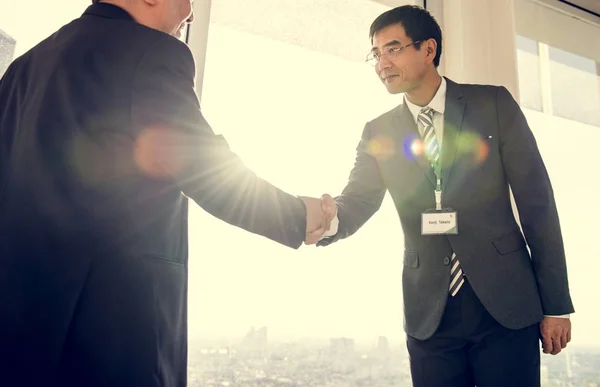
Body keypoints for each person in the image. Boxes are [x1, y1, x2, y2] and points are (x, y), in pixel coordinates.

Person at [0, 0, 331, 386]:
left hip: (19, 335)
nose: (190, 13)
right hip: (110, 334)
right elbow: (205, 167)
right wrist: (297, 216)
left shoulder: (21, 70)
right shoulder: (149, 53)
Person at [311, 5, 574, 387]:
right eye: (376, 53)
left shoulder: (493, 105)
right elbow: (359, 199)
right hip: (430, 314)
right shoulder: (378, 132)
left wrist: (557, 305)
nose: (382, 62)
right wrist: (330, 218)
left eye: (393, 48)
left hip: (506, 305)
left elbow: (538, 205)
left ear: (428, 49)